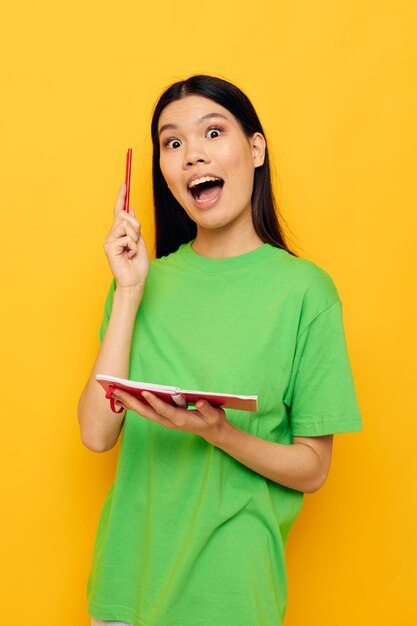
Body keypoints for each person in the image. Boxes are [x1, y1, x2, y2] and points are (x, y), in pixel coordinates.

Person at [78, 75, 362, 626]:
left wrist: (218, 432)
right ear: (161, 167)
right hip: (123, 590)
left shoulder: (306, 292)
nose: (192, 156)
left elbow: (313, 468)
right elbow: (96, 434)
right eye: (173, 142)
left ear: (255, 150)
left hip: (233, 597)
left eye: (213, 132)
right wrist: (130, 291)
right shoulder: (140, 283)